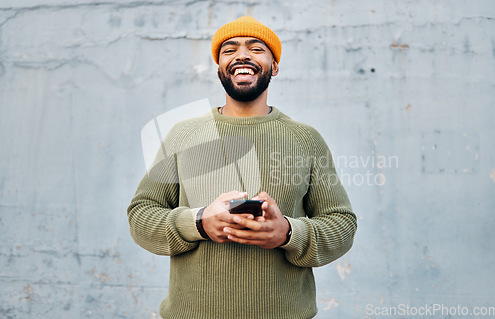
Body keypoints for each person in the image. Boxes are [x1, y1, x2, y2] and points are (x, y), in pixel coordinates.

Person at [127, 16, 357, 319]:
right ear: (220, 68)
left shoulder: (305, 139)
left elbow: (341, 224)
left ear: (274, 66)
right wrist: (199, 222)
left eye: (257, 48)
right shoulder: (183, 135)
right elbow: (141, 215)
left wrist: (287, 232)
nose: (242, 55)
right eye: (229, 49)